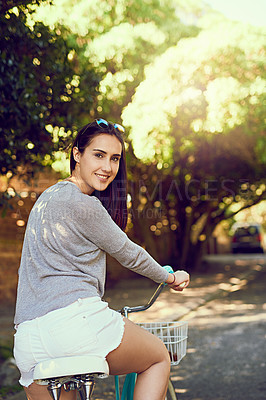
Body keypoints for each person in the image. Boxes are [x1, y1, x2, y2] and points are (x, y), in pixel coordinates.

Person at [13, 118, 190, 400]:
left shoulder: (46, 198)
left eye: (115, 158)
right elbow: (129, 253)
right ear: (76, 154)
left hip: (29, 340)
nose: (107, 167)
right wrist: (170, 277)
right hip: (76, 323)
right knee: (158, 356)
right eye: (98, 155)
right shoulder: (85, 204)